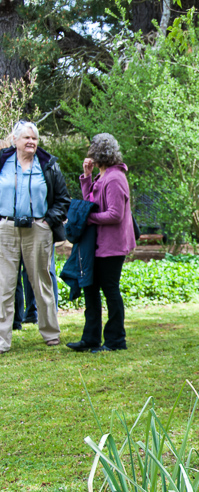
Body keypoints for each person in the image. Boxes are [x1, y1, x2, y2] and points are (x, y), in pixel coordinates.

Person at [0, 121, 69, 353]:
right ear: (15, 140)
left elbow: (62, 199)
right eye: (26, 138)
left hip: (38, 229)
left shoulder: (48, 164)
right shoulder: (2, 162)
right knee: (4, 285)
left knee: (42, 282)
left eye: (35, 138)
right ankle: (2, 340)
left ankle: (50, 332)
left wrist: (47, 221)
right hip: (6, 229)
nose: (31, 142)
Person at [66, 133, 136, 354]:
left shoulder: (115, 178)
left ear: (97, 153)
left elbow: (115, 215)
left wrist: (88, 219)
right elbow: (91, 205)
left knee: (110, 290)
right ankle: (90, 339)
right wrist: (87, 178)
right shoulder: (101, 176)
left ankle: (116, 341)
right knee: (91, 289)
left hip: (112, 245)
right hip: (97, 244)